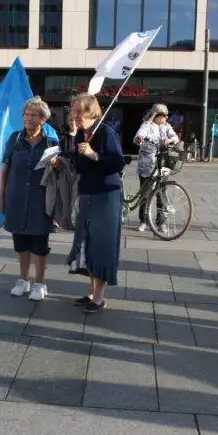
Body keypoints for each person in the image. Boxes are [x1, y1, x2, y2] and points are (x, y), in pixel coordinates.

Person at [66, 93, 126, 314]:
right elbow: (79, 167)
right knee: (87, 243)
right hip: (87, 193)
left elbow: (118, 163)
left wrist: (94, 155)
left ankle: (100, 298)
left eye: (77, 111)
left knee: (101, 244)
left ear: (90, 112)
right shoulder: (81, 134)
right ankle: (92, 292)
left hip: (106, 195)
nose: (74, 114)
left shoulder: (105, 132)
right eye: (73, 110)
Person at [0, 96, 59, 302]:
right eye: (27, 114)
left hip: (40, 200)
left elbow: (60, 174)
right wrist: (2, 198)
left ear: (43, 119)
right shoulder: (14, 139)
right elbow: (5, 169)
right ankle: (23, 280)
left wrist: (57, 164)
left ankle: (40, 283)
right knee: (21, 243)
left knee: (40, 243)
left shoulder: (52, 141)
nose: (29, 118)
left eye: (34, 115)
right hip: (16, 198)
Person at [133, 104, 179, 232]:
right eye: (164, 115)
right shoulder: (147, 125)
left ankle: (161, 222)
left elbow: (175, 137)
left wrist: (169, 141)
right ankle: (144, 221)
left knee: (161, 193)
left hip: (162, 164)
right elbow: (138, 137)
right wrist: (139, 138)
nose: (166, 117)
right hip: (147, 164)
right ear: (157, 116)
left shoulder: (166, 126)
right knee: (145, 194)